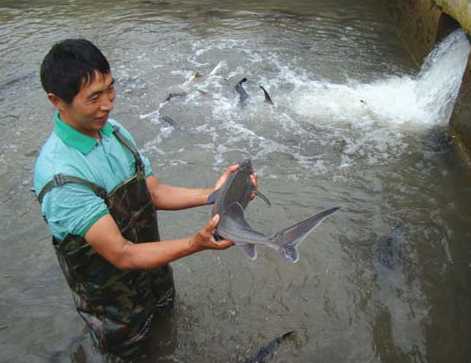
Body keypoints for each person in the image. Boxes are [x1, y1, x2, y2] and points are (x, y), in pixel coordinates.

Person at [34, 39, 256, 359]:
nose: (108, 104)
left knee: (168, 328)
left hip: (155, 272)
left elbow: (153, 192)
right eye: (94, 97)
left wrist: (216, 195)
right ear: (57, 101)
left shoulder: (116, 132)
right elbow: (122, 254)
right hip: (112, 304)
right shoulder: (60, 177)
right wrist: (196, 243)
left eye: (110, 89)